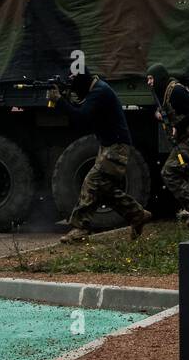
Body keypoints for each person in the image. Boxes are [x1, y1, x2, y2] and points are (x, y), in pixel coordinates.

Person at [48, 70, 150, 243]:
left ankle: (80, 228)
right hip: (110, 146)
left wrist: (60, 101)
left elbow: (81, 117)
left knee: (92, 182)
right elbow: (81, 110)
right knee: (104, 188)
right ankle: (137, 214)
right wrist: (65, 99)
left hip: (116, 147)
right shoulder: (95, 89)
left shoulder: (99, 92)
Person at [146, 63, 189, 228]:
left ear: (159, 77)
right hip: (184, 139)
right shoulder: (163, 93)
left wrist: (179, 126)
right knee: (182, 173)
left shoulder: (176, 91)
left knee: (169, 172)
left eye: (151, 78)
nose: (149, 82)